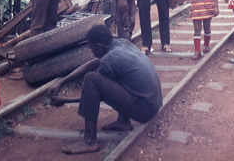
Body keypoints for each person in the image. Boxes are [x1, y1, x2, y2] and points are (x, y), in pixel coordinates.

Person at [47, 25, 163, 154]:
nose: (92, 52)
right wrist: (62, 82)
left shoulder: (108, 62)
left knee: (91, 79)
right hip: (153, 104)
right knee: (120, 77)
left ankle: (89, 141)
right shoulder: (121, 43)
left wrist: (65, 100)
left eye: (92, 48)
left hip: (144, 111)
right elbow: (93, 63)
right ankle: (123, 121)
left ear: (100, 46)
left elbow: (95, 96)